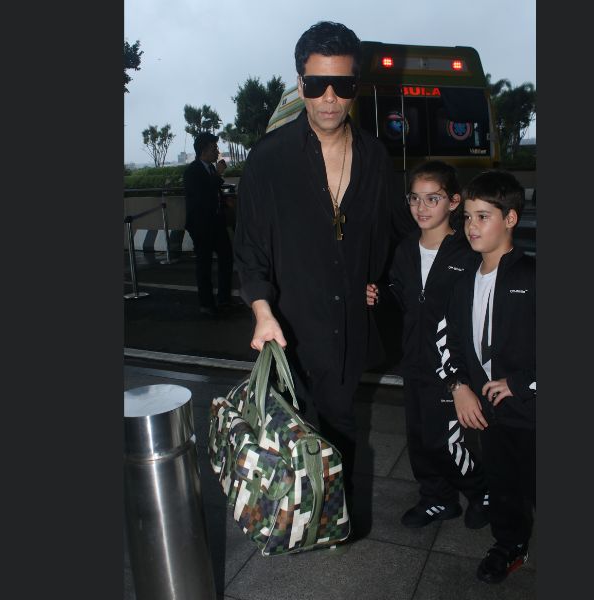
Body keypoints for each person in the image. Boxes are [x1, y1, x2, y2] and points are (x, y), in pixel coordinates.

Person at [233, 21, 394, 518]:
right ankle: (294, 520)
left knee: (342, 430)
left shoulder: (375, 157)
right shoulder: (269, 159)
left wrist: (378, 282)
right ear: (300, 82)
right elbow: (250, 250)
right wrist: (262, 311)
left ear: (355, 86)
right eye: (317, 83)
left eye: (341, 85)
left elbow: (389, 236)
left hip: (347, 329)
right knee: (293, 436)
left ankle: (332, 521)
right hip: (290, 329)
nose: (328, 98)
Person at [367, 161, 489, 530]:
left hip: (451, 368)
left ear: (453, 202)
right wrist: (379, 296)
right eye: (414, 198)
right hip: (414, 361)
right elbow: (400, 297)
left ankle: (481, 491)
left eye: (432, 199)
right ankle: (437, 499)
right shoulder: (405, 249)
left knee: (447, 441)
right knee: (419, 437)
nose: (421, 208)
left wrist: (463, 379)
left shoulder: (466, 253)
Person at [436, 169, 535, 584]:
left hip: (532, 409)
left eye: (482, 217)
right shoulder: (463, 282)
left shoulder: (532, 277)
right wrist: (459, 387)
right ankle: (509, 544)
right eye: (467, 217)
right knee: (503, 482)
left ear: (510, 218)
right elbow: (449, 342)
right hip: (490, 413)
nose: (471, 226)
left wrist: (520, 383)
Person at [183, 132, 234, 316]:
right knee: (204, 265)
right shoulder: (192, 171)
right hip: (201, 225)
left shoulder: (211, 169)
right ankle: (206, 304)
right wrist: (219, 174)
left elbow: (213, 193)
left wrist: (224, 201)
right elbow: (201, 196)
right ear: (204, 150)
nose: (217, 152)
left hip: (217, 223)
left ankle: (224, 299)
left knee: (226, 259)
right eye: (214, 148)